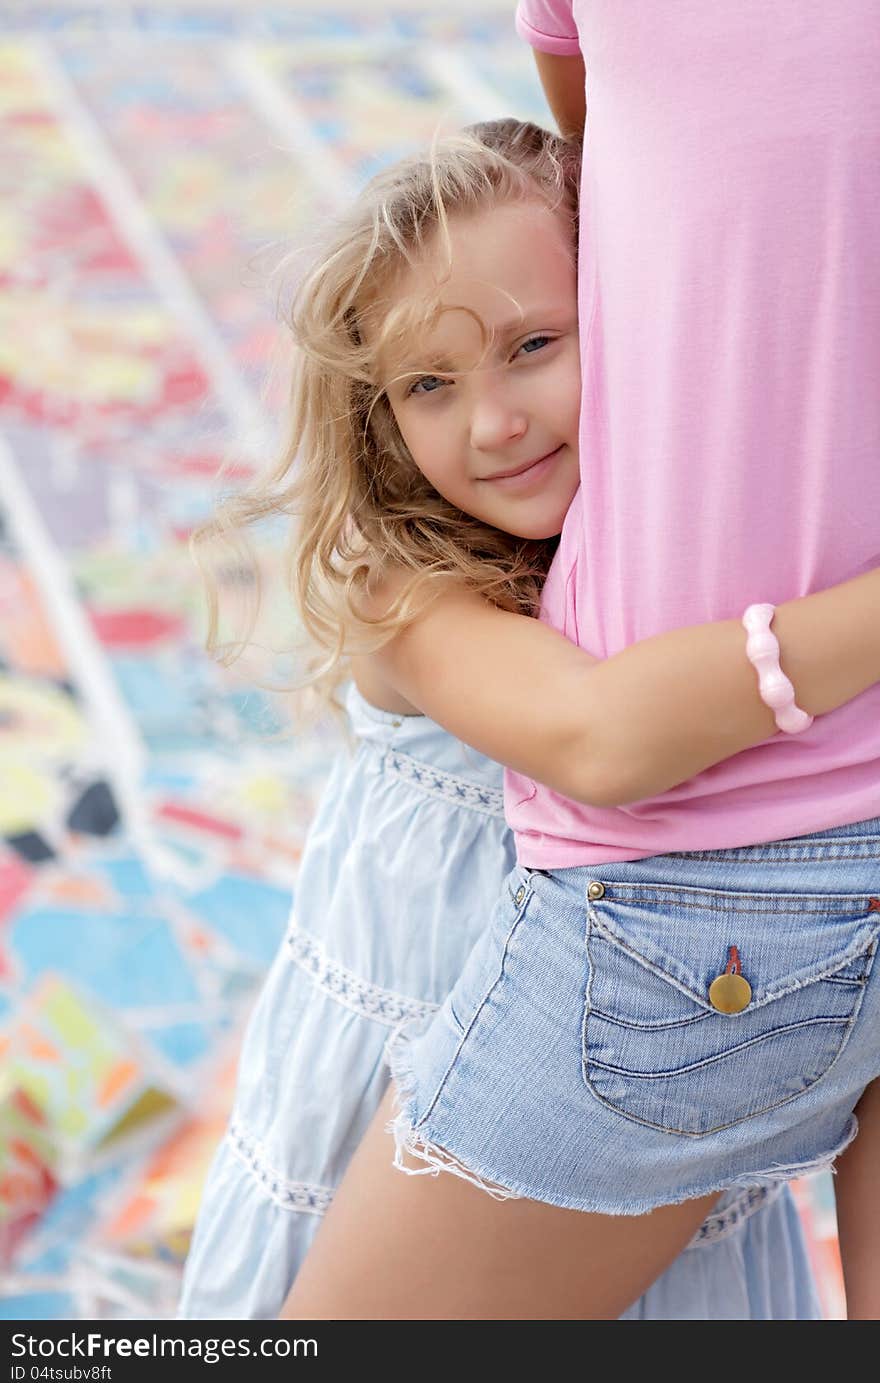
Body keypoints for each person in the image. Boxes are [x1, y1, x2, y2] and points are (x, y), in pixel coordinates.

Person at [177, 117, 880, 1319]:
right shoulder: (401, 584)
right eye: (428, 385)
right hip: (420, 1107)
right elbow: (597, 739)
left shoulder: (679, 555)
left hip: (631, 1127)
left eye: (534, 344)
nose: (491, 421)